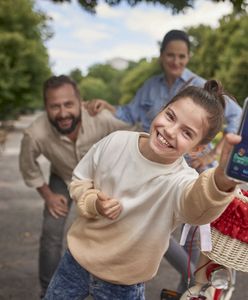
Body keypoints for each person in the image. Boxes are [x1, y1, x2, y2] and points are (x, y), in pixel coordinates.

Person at [44, 80, 241, 300]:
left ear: (197, 148)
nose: (170, 131)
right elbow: (80, 180)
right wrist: (92, 202)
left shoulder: (182, 180)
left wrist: (221, 181)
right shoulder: (115, 142)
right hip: (75, 262)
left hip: (125, 284)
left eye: (186, 133)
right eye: (170, 116)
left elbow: (196, 208)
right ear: (161, 110)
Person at [84, 29, 242, 292]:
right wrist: (108, 107)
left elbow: (234, 115)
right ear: (161, 56)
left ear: (189, 57)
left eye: (182, 56)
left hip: (191, 173)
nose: (176, 61)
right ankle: (192, 283)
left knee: (193, 241)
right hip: (154, 170)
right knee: (151, 225)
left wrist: (211, 154)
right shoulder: (150, 86)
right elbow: (129, 112)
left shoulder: (199, 88)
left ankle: (188, 290)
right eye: (171, 55)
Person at [19, 75, 132, 298]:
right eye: (54, 106)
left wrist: (113, 107)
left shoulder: (101, 117)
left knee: (122, 228)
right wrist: (48, 195)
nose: (62, 113)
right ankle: (48, 292)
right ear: (46, 107)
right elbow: (28, 166)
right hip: (62, 177)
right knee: (51, 232)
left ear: (80, 101)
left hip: (101, 181)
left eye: (68, 104)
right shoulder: (35, 133)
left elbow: (136, 129)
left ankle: (110, 287)